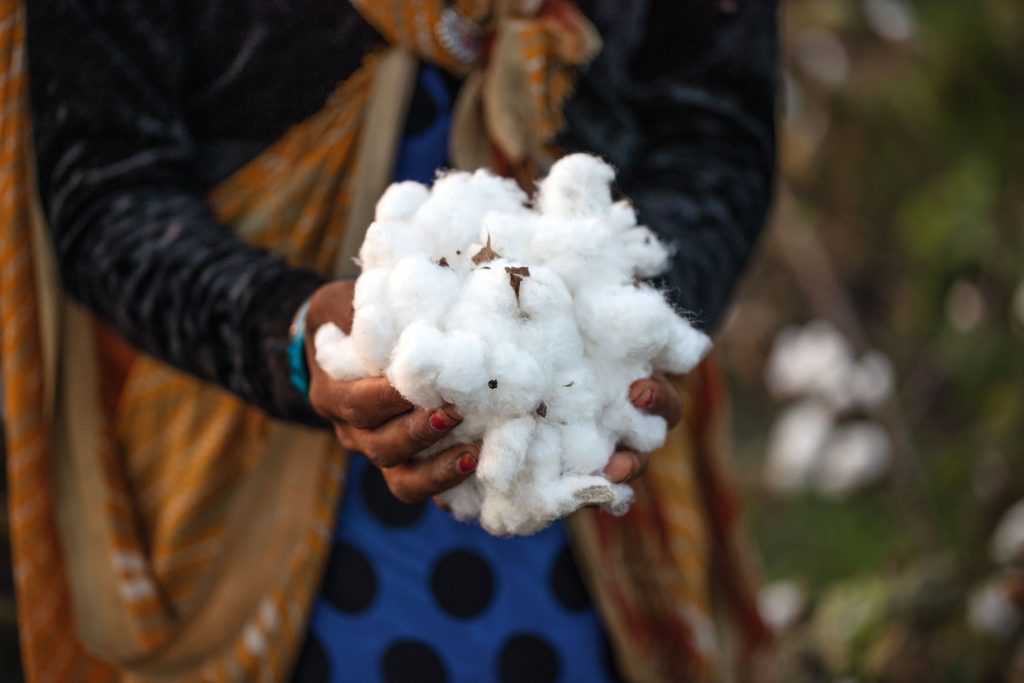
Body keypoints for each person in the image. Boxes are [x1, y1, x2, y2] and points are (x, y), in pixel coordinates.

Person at [0, 1, 778, 681]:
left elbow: (715, 127)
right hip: (225, 492)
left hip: (579, 489)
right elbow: (105, 183)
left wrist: (619, 325)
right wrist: (291, 333)